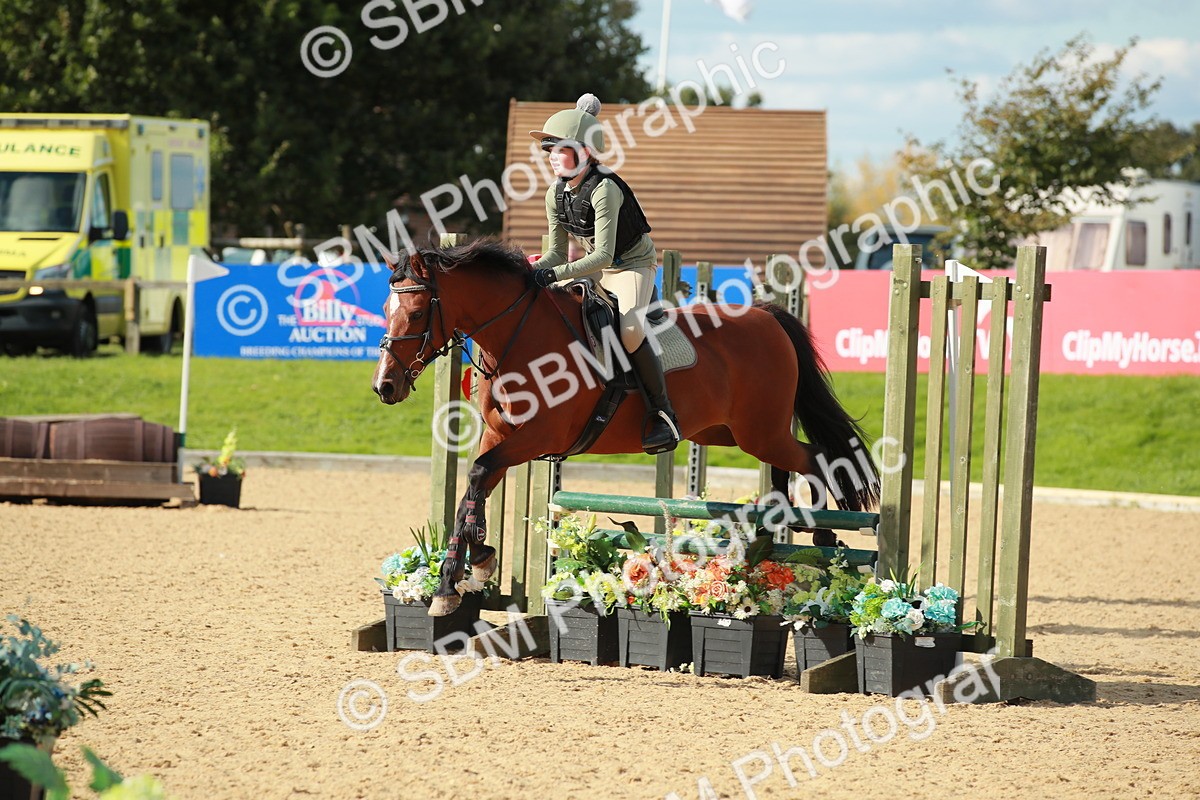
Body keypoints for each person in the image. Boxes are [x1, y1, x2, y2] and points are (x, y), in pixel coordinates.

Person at [527, 94, 680, 455]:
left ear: (583, 152)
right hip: (594, 267)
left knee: (629, 332)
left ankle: (663, 412)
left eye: (558, 148)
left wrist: (554, 275)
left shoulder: (605, 188)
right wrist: (529, 272)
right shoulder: (556, 193)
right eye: (547, 149)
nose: (550, 155)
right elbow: (556, 254)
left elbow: (603, 256)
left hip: (631, 266)